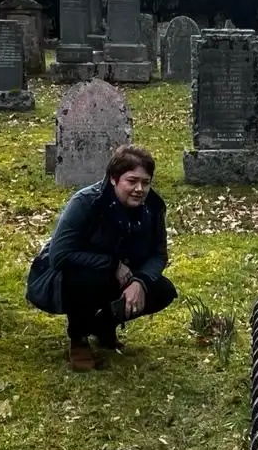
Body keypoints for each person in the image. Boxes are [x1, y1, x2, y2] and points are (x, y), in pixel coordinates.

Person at [26, 144, 177, 370]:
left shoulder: (153, 207)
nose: (139, 189)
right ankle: (78, 338)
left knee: (163, 291)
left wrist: (140, 281)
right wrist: (111, 264)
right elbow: (60, 256)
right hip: (66, 276)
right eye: (132, 181)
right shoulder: (86, 202)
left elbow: (158, 254)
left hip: (125, 273)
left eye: (145, 182)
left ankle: (103, 325)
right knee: (88, 278)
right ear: (114, 179)